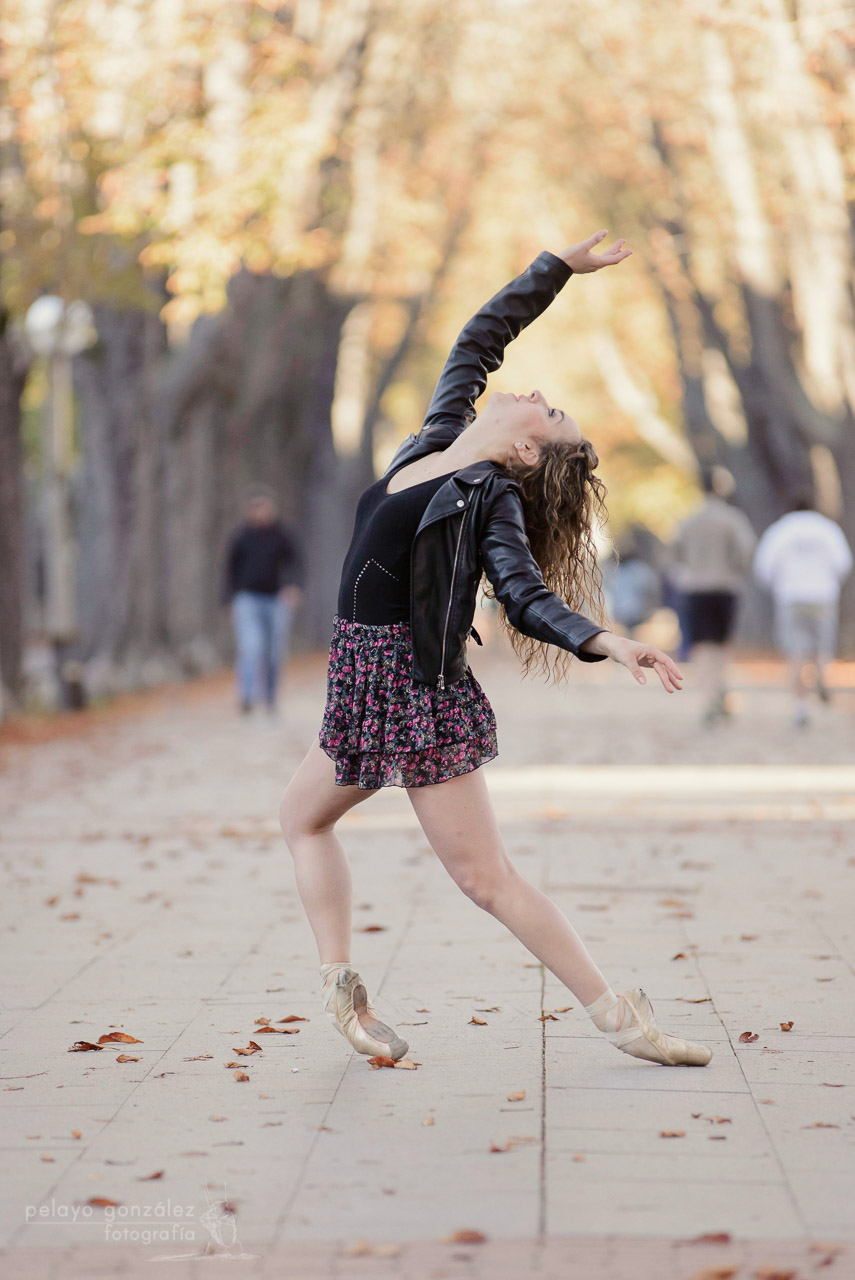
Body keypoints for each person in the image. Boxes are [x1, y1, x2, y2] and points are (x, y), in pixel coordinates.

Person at [279, 230, 712, 1070]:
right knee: (301, 819)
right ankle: (341, 986)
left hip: (415, 691)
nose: (538, 395)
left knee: (486, 879)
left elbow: (522, 593)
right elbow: (477, 341)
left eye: (548, 414)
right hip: (362, 682)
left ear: (524, 451)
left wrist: (606, 641)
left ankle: (619, 1017)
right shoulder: (437, 442)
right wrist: (555, 271)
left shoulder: (486, 496)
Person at [753, 497, 852, 727]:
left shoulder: (781, 529)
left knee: (796, 652)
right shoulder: (828, 529)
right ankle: (821, 677)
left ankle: (800, 706)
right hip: (823, 595)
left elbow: (764, 566)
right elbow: (843, 563)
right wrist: (830, 582)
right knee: (822, 646)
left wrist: (778, 586)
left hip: (791, 596)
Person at [671, 468, 757, 725]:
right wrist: (734, 568)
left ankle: (709, 696)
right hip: (725, 587)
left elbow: (675, 553)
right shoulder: (733, 519)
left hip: (695, 587)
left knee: (701, 645)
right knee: (721, 643)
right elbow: (746, 550)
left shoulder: (688, 520)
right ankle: (719, 688)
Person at [223, 488, 304, 715]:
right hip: (247, 598)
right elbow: (230, 570)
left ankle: (270, 697)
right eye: (256, 507)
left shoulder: (282, 534)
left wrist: (293, 587)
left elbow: (296, 564)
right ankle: (247, 696)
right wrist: (228, 599)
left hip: (276, 599)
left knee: (274, 651)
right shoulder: (241, 536)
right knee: (251, 646)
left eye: (264, 507)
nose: (260, 512)